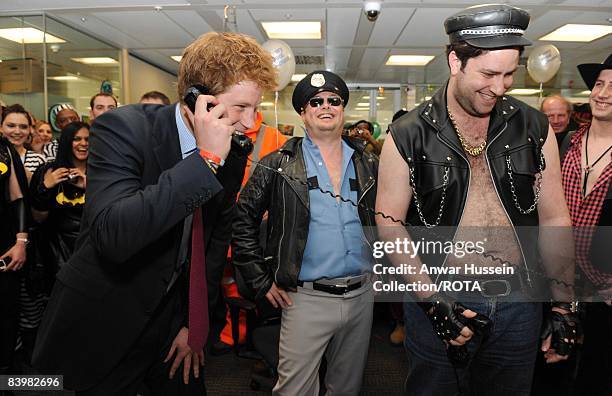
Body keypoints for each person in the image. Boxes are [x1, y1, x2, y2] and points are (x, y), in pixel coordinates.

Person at [33, 31, 276, 394]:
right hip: (102, 320)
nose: (250, 122)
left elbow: (213, 239)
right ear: (199, 100)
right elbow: (114, 236)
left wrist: (195, 323)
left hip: (173, 322)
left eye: (256, 109)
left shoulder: (232, 150)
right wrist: (204, 161)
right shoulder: (123, 128)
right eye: (241, 107)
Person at [376, 5, 577, 395]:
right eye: (488, 74)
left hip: (520, 300)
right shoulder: (408, 133)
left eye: (508, 74)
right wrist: (430, 299)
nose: (500, 87)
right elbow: (389, 222)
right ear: (455, 61)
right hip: (442, 294)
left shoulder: (533, 126)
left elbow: (554, 218)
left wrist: (563, 305)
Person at [233, 70, 378, 395]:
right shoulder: (278, 163)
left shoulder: (367, 161)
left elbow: (390, 219)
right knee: (295, 390)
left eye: (333, 101)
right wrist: (259, 279)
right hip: (304, 298)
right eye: (316, 102)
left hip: (361, 296)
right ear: (303, 112)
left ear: (342, 108)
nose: (325, 106)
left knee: (347, 388)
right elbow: (242, 219)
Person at [560, 53, 612, 396]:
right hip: (557, 281)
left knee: (596, 376)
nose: (603, 93)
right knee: (550, 376)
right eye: (599, 84)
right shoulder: (567, 143)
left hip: (604, 290)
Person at [0, 132, 29, 379]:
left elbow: (17, 196)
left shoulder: (4, 148)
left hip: (4, 245)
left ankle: (5, 373)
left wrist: (21, 241)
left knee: (6, 310)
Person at [1, 105, 46, 178]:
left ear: (29, 130)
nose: (17, 131)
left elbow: (38, 187)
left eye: (23, 127)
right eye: (11, 126)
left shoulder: (38, 160)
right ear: (1, 128)